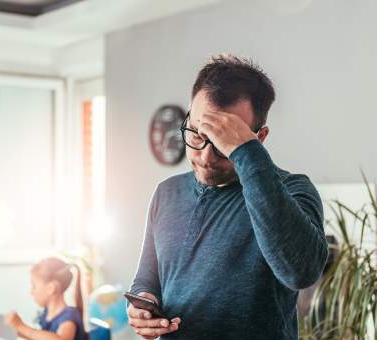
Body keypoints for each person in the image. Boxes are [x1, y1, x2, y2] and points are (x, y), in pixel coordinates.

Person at [127, 54, 329, 339]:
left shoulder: (294, 190)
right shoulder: (166, 192)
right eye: (197, 134)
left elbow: (301, 273)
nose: (206, 156)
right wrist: (143, 304)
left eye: (223, 142)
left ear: (259, 139)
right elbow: (148, 277)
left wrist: (245, 152)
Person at [5, 257, 87, 340]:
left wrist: (21, 326)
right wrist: (19, 332)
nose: (31, 291)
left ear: (51, 288)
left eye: (34, 286)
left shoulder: (70, 316)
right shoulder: (46, 313)